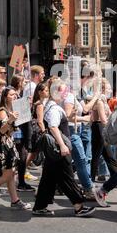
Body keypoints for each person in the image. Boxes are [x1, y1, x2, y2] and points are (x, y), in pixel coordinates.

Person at [32, 79, 95, 217]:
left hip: (54, 150)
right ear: (56, 92)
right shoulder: (54, 107)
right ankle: (79, 207)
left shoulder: (50, 105)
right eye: (63, 91)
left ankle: (39, 206)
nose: (66, 94)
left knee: (48, 179)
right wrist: (62, 145)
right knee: (67, 178)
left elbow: (59, 121)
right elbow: (53, 127)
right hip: (59, 148)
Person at [0, 87, 31, 210]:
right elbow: (2, 130)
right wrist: (10, 120)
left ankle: (15, 201)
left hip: (10, 145)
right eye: (12, 95)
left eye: (16, 94)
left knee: (11, 174)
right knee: (7, 176)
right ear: (5, 97)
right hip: (5, 147)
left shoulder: (11, 109)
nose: (15, 96)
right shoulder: (2, 111)